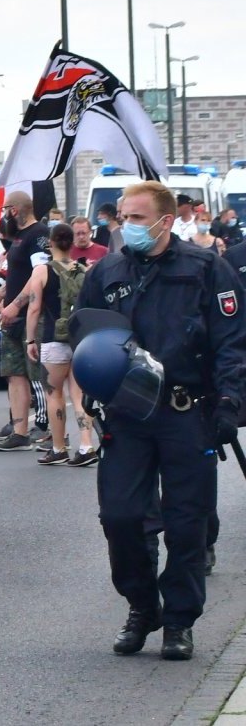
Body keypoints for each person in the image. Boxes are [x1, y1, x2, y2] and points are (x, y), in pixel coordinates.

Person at [73, 180, 246, 661]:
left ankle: (179, 622)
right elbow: (86, 335)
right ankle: (142, 605)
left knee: (187, 523)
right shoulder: (106, 272)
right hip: (127, 415)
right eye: (122, 217)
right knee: (122, 516)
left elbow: (233, 340)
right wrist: (88, 387)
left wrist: (230, 402)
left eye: (134, 218)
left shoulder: (207, 268)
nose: (124, 225)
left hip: (186, 412)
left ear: (165, 221)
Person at [22, 223, 97, 466]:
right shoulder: (83, 270)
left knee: (54, 393)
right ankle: (86, 446)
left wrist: (30, 339)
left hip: (54, 339)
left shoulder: (42, 271)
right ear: (72, 243)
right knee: (79, 394)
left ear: (51, 243)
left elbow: (34, 308)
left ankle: (58, 447)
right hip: (80, 340)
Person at [0, 191, 50, 453]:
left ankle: (48, 429)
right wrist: (0, 294)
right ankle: (19, 431)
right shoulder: (18, 238)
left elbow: (39, 274)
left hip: (30, 316)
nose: (4, 215)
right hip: (11, 316)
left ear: (14, 210)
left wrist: (16, 305)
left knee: (38, 375)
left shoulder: (38, 234)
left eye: (5, 210)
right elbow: (16, 272)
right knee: (14, 374)